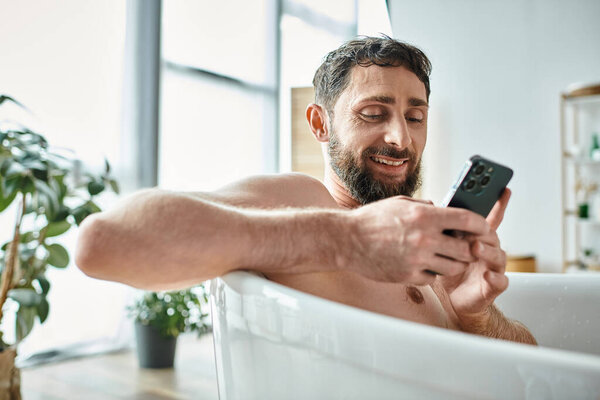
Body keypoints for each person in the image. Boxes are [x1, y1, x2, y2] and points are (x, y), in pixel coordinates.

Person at [75, 36, 536, 345]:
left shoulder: (424, 237)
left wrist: (475, 315)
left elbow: (534, 373)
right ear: (319, 123)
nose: (400, 138)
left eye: (415, 117)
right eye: (374, 113)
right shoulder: (298, 199)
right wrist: (349, 239)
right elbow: (103, 242)